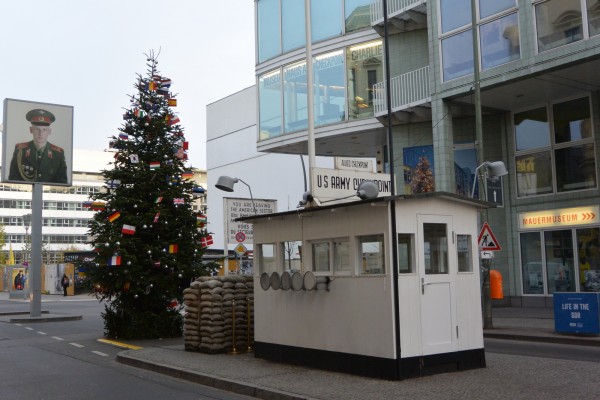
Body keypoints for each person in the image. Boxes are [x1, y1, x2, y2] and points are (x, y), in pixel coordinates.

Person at [8, 108, 67, 183]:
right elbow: (13, 178)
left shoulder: (58, 154)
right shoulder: (20, 150)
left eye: (44, 130)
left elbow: (62, 182)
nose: (40, 133)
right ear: (31, 130)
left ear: (49, 131)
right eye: (37, 129)